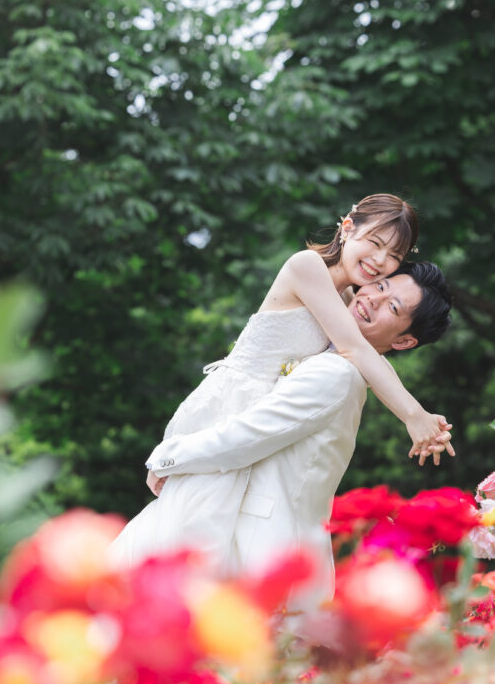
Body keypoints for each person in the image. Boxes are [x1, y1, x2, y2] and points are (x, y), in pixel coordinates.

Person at [113, 193, 452, 569]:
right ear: (347, 227)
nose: (379, 262)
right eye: (374, 243)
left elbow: (370, 358)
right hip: (230, 404)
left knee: (215, 540)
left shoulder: (349, 298)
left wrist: (423, 417)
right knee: (191, 527)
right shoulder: (307, 267)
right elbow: (355, 349)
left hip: (255, 413)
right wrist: (412, 415)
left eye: (393, 256)